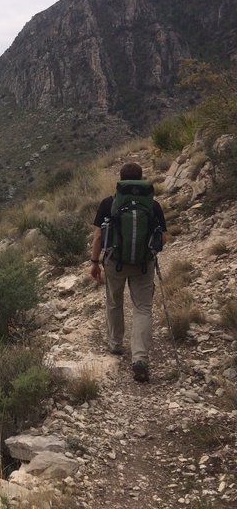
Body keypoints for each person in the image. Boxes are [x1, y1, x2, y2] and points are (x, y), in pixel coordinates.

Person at [89, 162, 167, 383]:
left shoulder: (109, 203)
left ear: (121, 180)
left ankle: (115, 344)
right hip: (143, 264)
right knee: (142, 308)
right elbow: (162, 238)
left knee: (114, 302)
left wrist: (94, 262)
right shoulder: (153, 205)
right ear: (141, 179)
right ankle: (140, 358)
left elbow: (97, 237)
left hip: (115, 263)